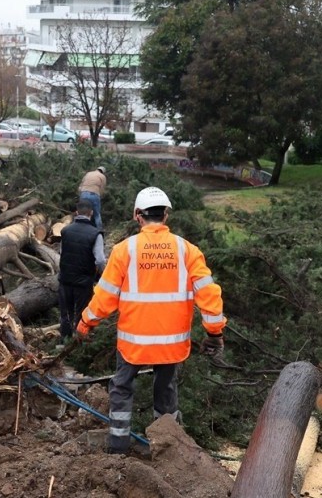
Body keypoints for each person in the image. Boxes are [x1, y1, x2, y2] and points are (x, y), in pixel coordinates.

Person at [76, 186, 225, 455]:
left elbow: (105, 296)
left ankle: (117, 447)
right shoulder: (187, 250)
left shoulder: (125, 250)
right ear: (166, 215)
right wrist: (214, 332)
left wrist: (86, 322)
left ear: (137, 216)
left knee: (121, 388)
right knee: (166, 388)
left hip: (134, 342)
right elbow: (209, 293)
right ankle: (167, 448)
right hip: (172, 342)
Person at [58, 200, 107, 343]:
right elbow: (100, 260)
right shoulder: (96, 233)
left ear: (76, 212)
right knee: (82, 315)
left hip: (65, 279)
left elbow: (62, 252)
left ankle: (64, 343)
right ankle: (78, 345)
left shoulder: (65, 231)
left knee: (65, 314)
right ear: (91, 213)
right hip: (84, 281)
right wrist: (101, 274)